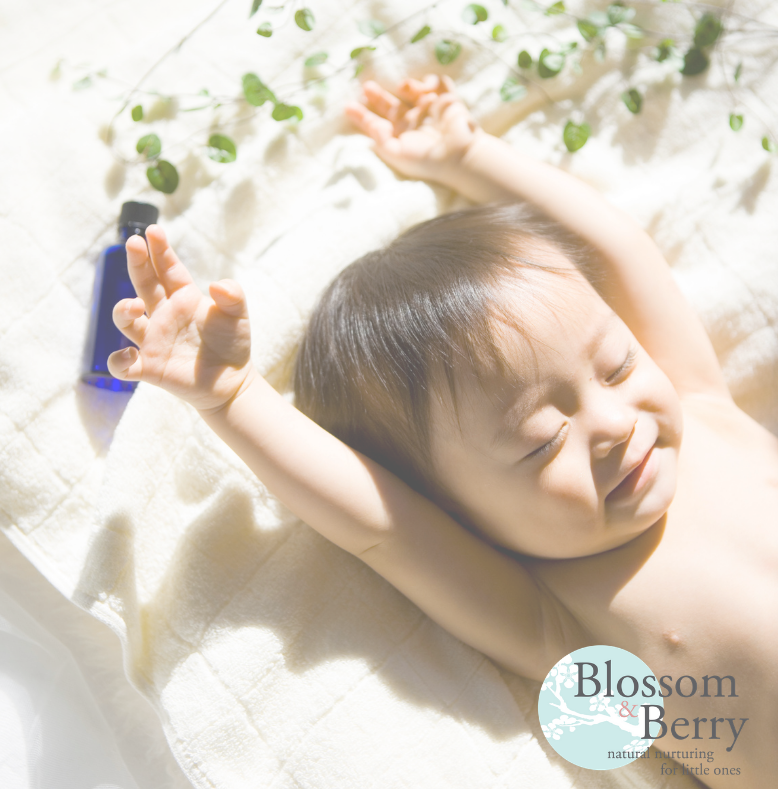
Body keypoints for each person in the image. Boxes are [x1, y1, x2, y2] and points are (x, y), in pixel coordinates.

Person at [106, 74, 777, 787]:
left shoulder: (703, 410)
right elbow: (380, 526)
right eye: (542, 440)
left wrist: (470, 158)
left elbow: (621, 250)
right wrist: (233, 397)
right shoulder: (554, 617)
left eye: (614, 367)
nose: (614, 422)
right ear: (461, 512)